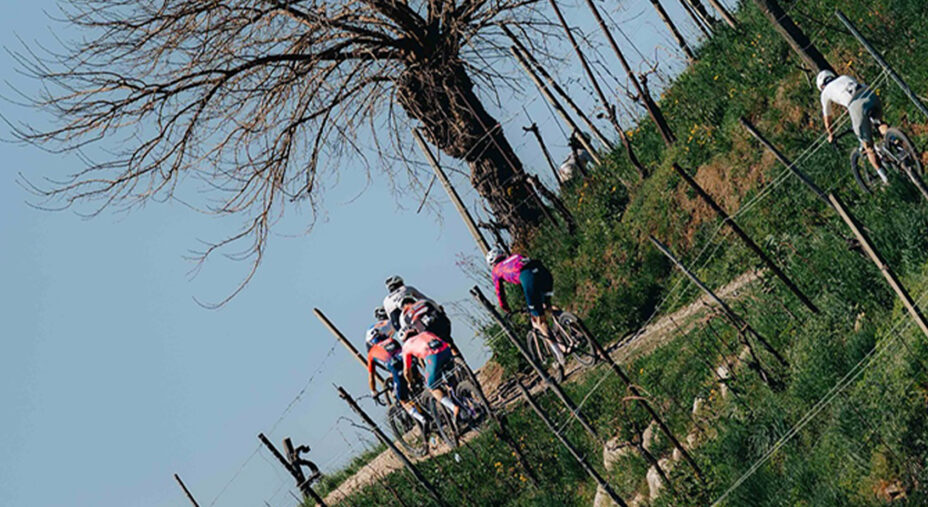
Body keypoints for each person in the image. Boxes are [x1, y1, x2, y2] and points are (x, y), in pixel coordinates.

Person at [487, 247, 563, 356]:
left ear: (492, 264)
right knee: (547, 305)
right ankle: (575, 328)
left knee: (538, 320)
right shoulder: (515, 256)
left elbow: (500, 292)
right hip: (542, 271)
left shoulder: (496, 270)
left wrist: (505, 308)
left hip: (528, 277)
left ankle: (559, 353)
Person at [817, 70, 889, 183]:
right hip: (869, 94)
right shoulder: (844, 76)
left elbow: (827, 119)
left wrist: (830, 134)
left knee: (868, 147)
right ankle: (896, 140)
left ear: (821, 86)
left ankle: (886, 179)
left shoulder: (825, 92)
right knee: (879, 123)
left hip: (855, 105)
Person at [367, 333, 426, 425]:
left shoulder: (371, 353)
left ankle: (422, 419)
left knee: (403, 400)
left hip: (396, 368)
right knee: (419, 383)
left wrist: (373, 391)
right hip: (408, 362)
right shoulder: (391, 340)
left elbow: (371, 377)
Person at [401, 329, 459, 422]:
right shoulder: (425, 333)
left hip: (432, 357)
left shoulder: (406, 346)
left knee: (433, 387)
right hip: (446, 349)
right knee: (450, 376)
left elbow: (407, 371)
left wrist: (409, 382)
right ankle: (463, 397)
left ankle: (453, 407)